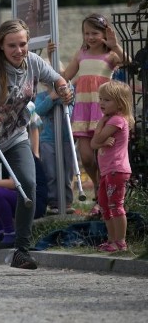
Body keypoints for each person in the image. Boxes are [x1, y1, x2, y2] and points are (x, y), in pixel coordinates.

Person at [0, 19, 72, 270]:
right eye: (12, 46)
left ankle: (22, 250)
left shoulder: (34, 63)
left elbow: (57, 79)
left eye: (23, 44)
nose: (19, 50)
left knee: (28, 184)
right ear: (1, 47)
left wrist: (63, 88)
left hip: (17, 136)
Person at [58, 14, 126, 216]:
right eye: (86, 33)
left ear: (104, 33)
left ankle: (102, 197)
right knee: (87, 158)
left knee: (102, 157)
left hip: (102, 112)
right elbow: (65, 76)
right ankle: (98, 187)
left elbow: (129, 64)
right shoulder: (81, 54)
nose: (90, 37)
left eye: (94, 33)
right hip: (83, 112)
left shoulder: (111, 55)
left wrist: (115, 46)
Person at [91, 80, 134, 252]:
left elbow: (97, 140)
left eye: (107, 100)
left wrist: (100, 127)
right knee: (103, 204)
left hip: (117, 169)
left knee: (116, 205)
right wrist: (99, 137)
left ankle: (120, 241)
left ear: (120, 103)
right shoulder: (108, 119)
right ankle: (112, 239)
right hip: (107, 171)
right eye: (101, 98)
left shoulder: (117, 120)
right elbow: (94, 144)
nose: (101, 103)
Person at [35, 82, 76, 214]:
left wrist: (63, 98)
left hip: (66, 138)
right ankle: (53, 202)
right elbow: (38, 110)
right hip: (48, 139)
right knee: (50, 171)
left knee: (68, 170)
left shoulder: (69, 93)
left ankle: (67, 201)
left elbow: (72, 109)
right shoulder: (42, 96)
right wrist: (51, 98)